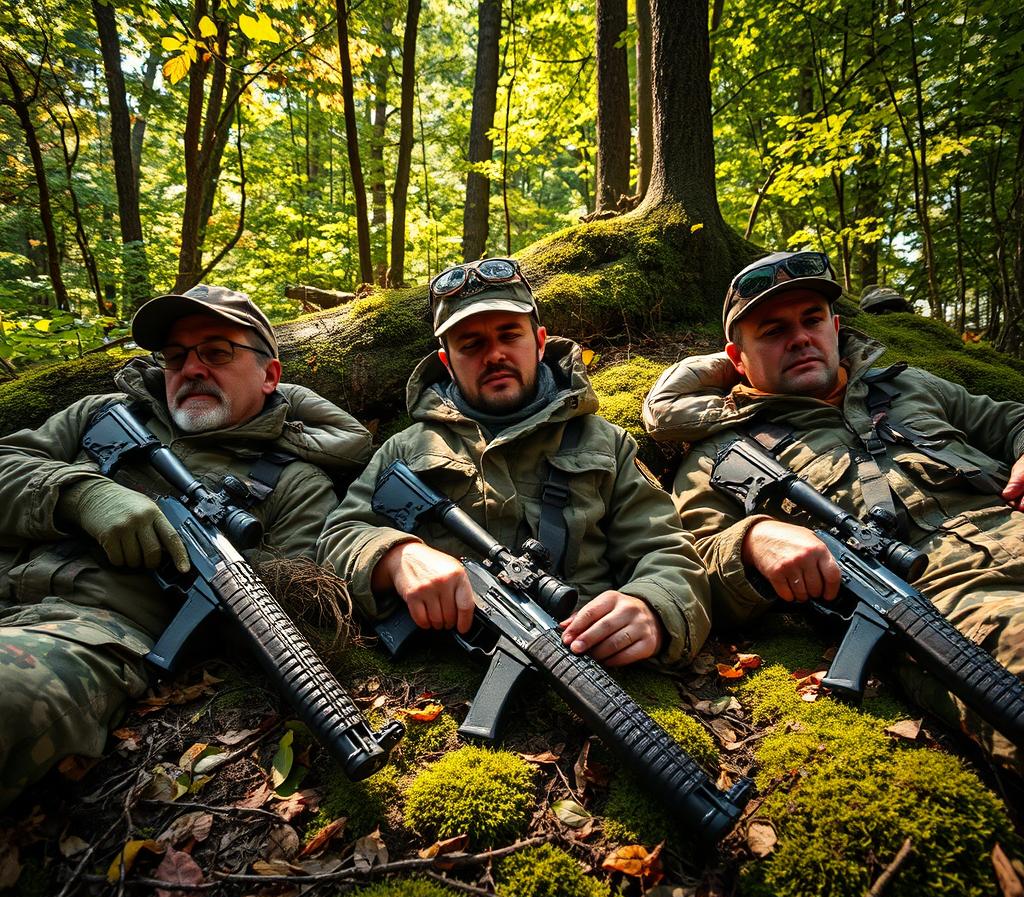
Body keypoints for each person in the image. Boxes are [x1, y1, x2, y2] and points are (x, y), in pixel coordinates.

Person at [642, 250, 1024, 764]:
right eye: (773, 330)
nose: (799, 337)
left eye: (812, 320)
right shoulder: (721, 453)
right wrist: (752, 541)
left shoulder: (909, 384)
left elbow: (1008, 419)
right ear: (737, 359)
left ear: (836, 327)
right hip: (948, 603)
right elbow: (695, 567)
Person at [0, 284, 373, 806]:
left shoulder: (294, 482)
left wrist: (220, 563)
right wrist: (80, 495)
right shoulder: (101, 414)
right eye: (176, 356)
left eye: (217, 352)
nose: (192, 368)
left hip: (83, 632)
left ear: (269, 376)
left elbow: (308, 602)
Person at [318, 258, 711, 670]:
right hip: (435, 672)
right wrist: (396, 557)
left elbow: (667, 552)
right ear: (447, 361)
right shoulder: (406, 448)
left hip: (587, 662)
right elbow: (338, 537)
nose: (495, 355)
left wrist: (651, 608)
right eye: (471, 345)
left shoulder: (608, 444)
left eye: (510, 335)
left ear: (540, 342)